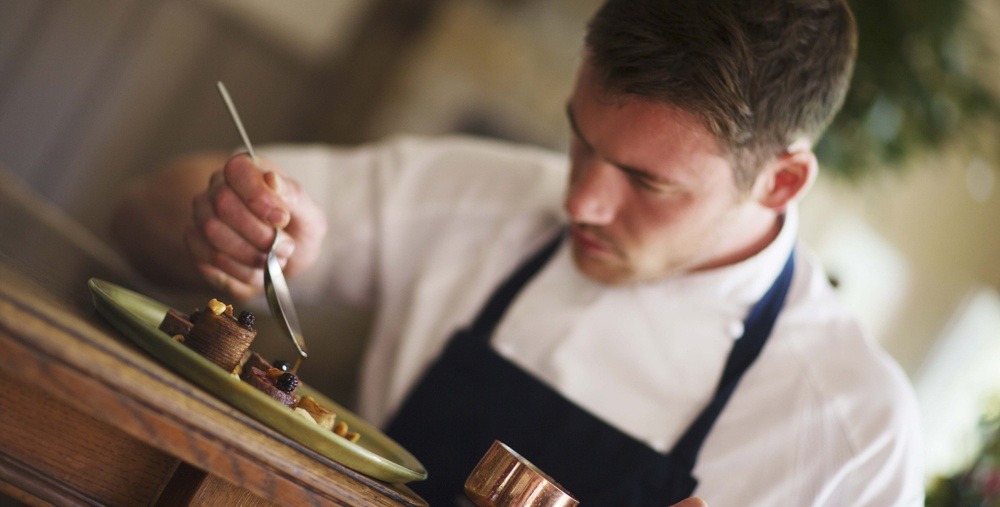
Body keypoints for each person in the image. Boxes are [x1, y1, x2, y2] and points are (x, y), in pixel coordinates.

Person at [112, 0, 924, 505]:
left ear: (782, 182)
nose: (579, 202)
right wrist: (234, 221)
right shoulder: (483, 192)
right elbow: (139, 214)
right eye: (579, 141)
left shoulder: (854, 430)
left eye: (647, 181)